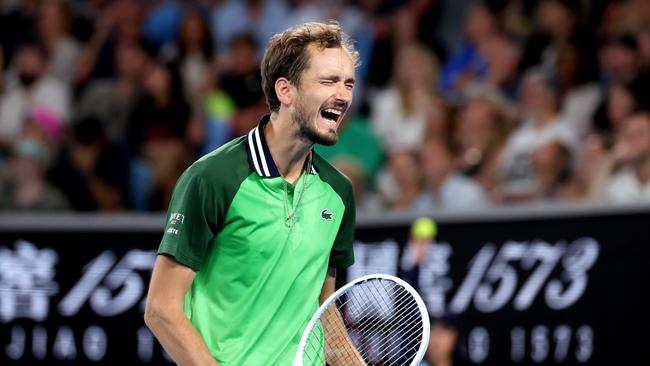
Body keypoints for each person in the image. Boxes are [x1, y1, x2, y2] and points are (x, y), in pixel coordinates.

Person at [144, 21, 359, 365]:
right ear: (285, 90)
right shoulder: (213, 178)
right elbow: (161, 309)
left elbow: (322, 308)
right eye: (329, 81)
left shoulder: (338, 192)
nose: (344, 95)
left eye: (348, 83)